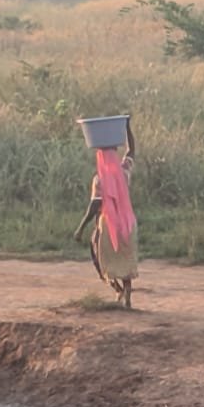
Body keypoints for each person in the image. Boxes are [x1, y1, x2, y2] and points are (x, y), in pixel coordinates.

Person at [73, 118, 138, 308]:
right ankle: (127, 293)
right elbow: (131, 150)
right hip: (128, 223)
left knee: (100, 259)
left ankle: (117, 289)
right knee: (125, 260)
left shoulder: (100, 180)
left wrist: (81, 228)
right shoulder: (124, 172)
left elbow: (94, 206)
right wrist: (126, 126)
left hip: (108, 225)